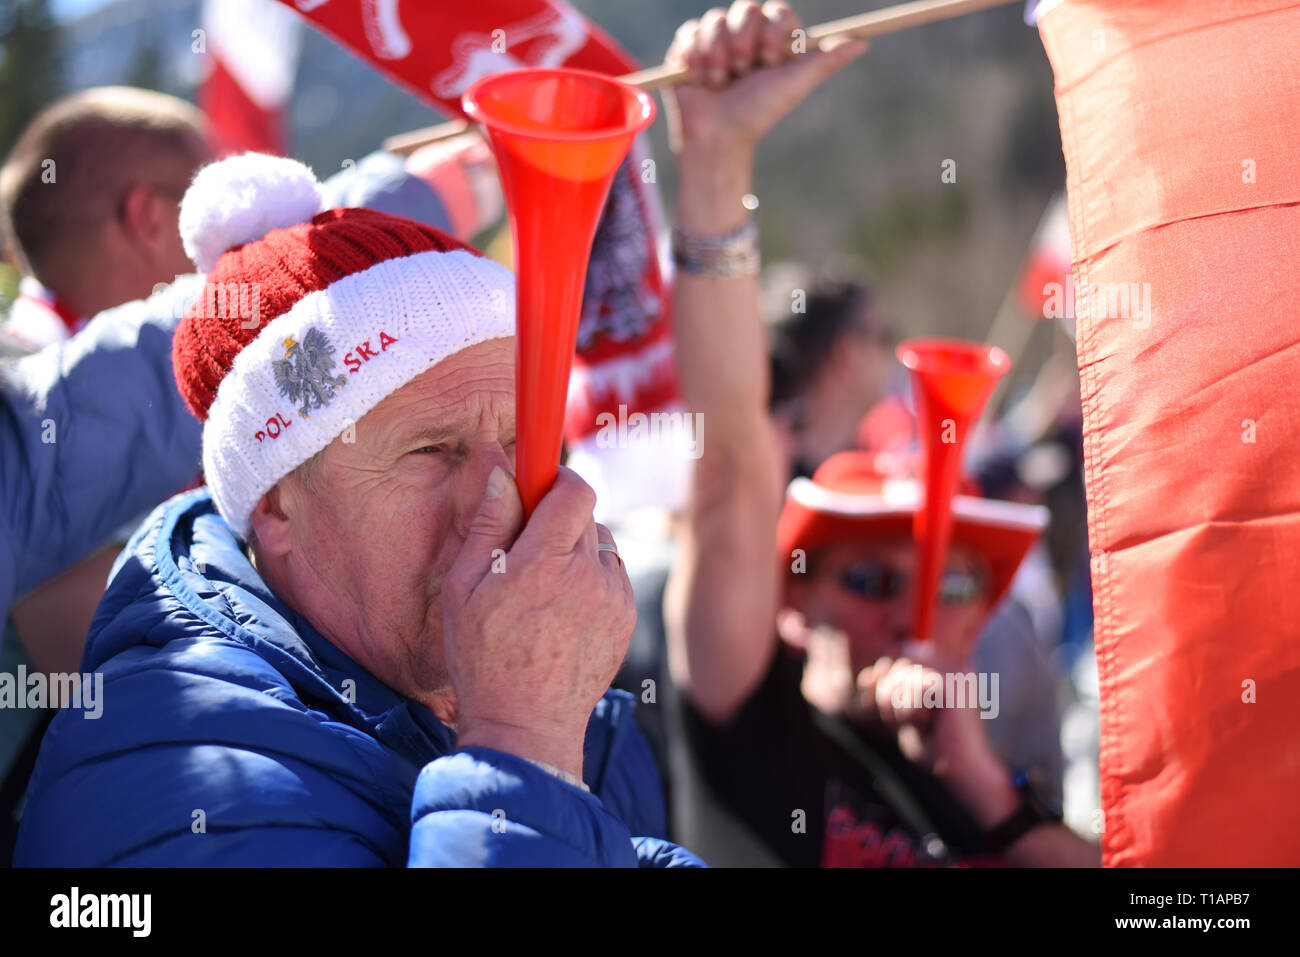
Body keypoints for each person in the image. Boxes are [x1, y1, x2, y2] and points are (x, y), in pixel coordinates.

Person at [14, 149, 702, 867]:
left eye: (520, 440)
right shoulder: (172, 771)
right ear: (277, 501)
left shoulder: (540, 689)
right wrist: (523, 741)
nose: (501, 502)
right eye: (434, 451)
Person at [659, 2, 1098, 866]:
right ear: (792, 604)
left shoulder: (990, 784)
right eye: (864, 576)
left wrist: (980, 786)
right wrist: (715, 158)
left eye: (955, 583)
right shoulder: (751, 707)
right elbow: (736, 471)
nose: (915, 608)